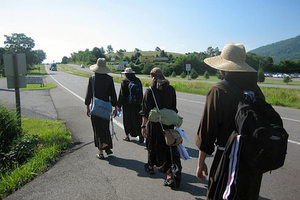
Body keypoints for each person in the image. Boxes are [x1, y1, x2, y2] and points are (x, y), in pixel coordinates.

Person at [195, 43, 265, 199]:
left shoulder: (219, 90)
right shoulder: (256, 90)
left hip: (226, 159)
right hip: (253, 162)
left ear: (223, 67)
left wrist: (201, 163)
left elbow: (207, 131)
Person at [140, 67, 182, 189]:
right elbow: (174, 108)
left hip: (155, 125)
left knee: (152, 144)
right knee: (168, 147)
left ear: (152, 76)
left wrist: (143, 126)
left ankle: (151, 167)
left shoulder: (150, 91)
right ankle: (169, 172)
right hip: (168, 124)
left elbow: (145, 112)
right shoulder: (171, 89)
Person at [85, 58, 117, 159]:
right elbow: (113, 95)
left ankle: (100, 152)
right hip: (106, 108)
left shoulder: (92, 78)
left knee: (97, 129)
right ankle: (107, 147)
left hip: (95, 108)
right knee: (105, 128)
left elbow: (89, 94)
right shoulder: (109, 79)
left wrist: (87, 107)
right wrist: (115, 107)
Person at [117, 67, 144, 143]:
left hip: (127, 105)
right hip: (137, 104)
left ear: (126, 74)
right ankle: (140, 134)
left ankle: (127, 136)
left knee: (127, 120)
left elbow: (121, 95)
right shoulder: (138, 80)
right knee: (137, 120)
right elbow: (141, 93)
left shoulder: (125, 82)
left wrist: (119, 105)